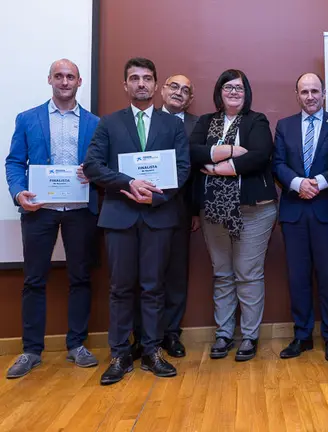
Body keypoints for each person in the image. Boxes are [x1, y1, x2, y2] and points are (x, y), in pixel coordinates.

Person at [84, 57, 190, 385]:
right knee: (120, 288)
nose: (141, 83)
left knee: (153, 287)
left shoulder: (172, 125)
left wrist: (155, 196)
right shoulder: (109, 123)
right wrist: (128, 183)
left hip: (159, 216)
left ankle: (151, 351)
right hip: (120, 217)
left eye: (147, 78)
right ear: (125, 85)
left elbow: (183, 169)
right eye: (134, 78)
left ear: (156, 85)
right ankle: (119, 354)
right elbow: (92, 166)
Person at [4, 59, 100, 378]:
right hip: (39, 211)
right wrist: (19, 193)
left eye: (69, 76)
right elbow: (15, 162)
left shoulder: (94, 123)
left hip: (80, 212)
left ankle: (77, 345)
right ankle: (31, 350)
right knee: (33, 280)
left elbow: (102, 166)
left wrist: (93, 175)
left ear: (79, 81)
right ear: (49, 80)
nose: (64, 81)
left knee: (80, 278)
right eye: (58, 76)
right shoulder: (28, 118)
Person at [189, 69, 277, 362]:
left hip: (255, 210)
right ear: (219, 91)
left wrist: (218, 167)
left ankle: (249, 336)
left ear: (246, 92)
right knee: (222, 273)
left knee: (248, 274)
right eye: (228, 87)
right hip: (213, 210)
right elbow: (192, 152)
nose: (234, 92)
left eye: (239, 87)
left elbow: (260, 154)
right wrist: (230, 150)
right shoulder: (205, 121)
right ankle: (224, 333)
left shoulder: (257, 120)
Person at [273, 73, 328, 362]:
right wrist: (297, 184)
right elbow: (277, 163)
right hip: (293, 212)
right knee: (298, 278)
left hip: (326, 210)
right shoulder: (285, 125)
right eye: (305, 91)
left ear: (324, 93)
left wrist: (318, 182)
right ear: (297, 94)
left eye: (315, 91)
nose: (310, 96)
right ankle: (302, 336)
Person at [132, 74, 199, 360]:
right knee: (144, 275)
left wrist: (195, 211)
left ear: (191, 98)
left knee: (175, 274)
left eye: (186, 90)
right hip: (141, 208)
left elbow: (197, 169)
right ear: (161, 90)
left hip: (181, 210)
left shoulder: (199, 125)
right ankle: (145, 336)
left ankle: (171, 333)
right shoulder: (145, 119)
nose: (179, 93)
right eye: (174, 86)